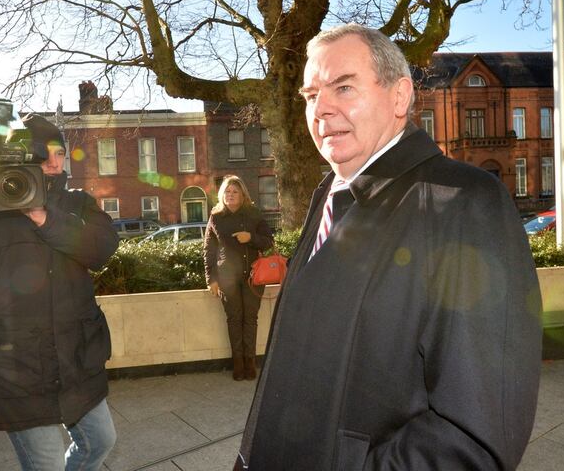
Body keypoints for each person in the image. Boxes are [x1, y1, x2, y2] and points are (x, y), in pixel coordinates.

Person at [236, 24, 543, 470]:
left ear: (400, 97)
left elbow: (475, 437)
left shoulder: (462, 202)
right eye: (310, 94)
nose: (321, 108)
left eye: (343, 87)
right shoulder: (329, 192)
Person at [0, 114, 120, 471]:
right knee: (45, 463)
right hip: (15, 367)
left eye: (60, 153)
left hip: (74, 358)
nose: (53, 162)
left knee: (100, 441)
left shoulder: (77, 202)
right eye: (43, 153)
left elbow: (103, 248)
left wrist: (45, 216)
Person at [204, 175, 274, 381]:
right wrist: (211, 279)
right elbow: (209, 249)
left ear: (243, 194)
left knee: (250, 320)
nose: (230, 195)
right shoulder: (216, 217)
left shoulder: (254, 214)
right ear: (221, 195)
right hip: (227, 279)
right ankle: (238, 364)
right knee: (234, 320)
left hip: (253, 277)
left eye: (235, 192)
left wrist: (250, 238)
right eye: (227, 192)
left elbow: (268, 241)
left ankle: (250, 363)